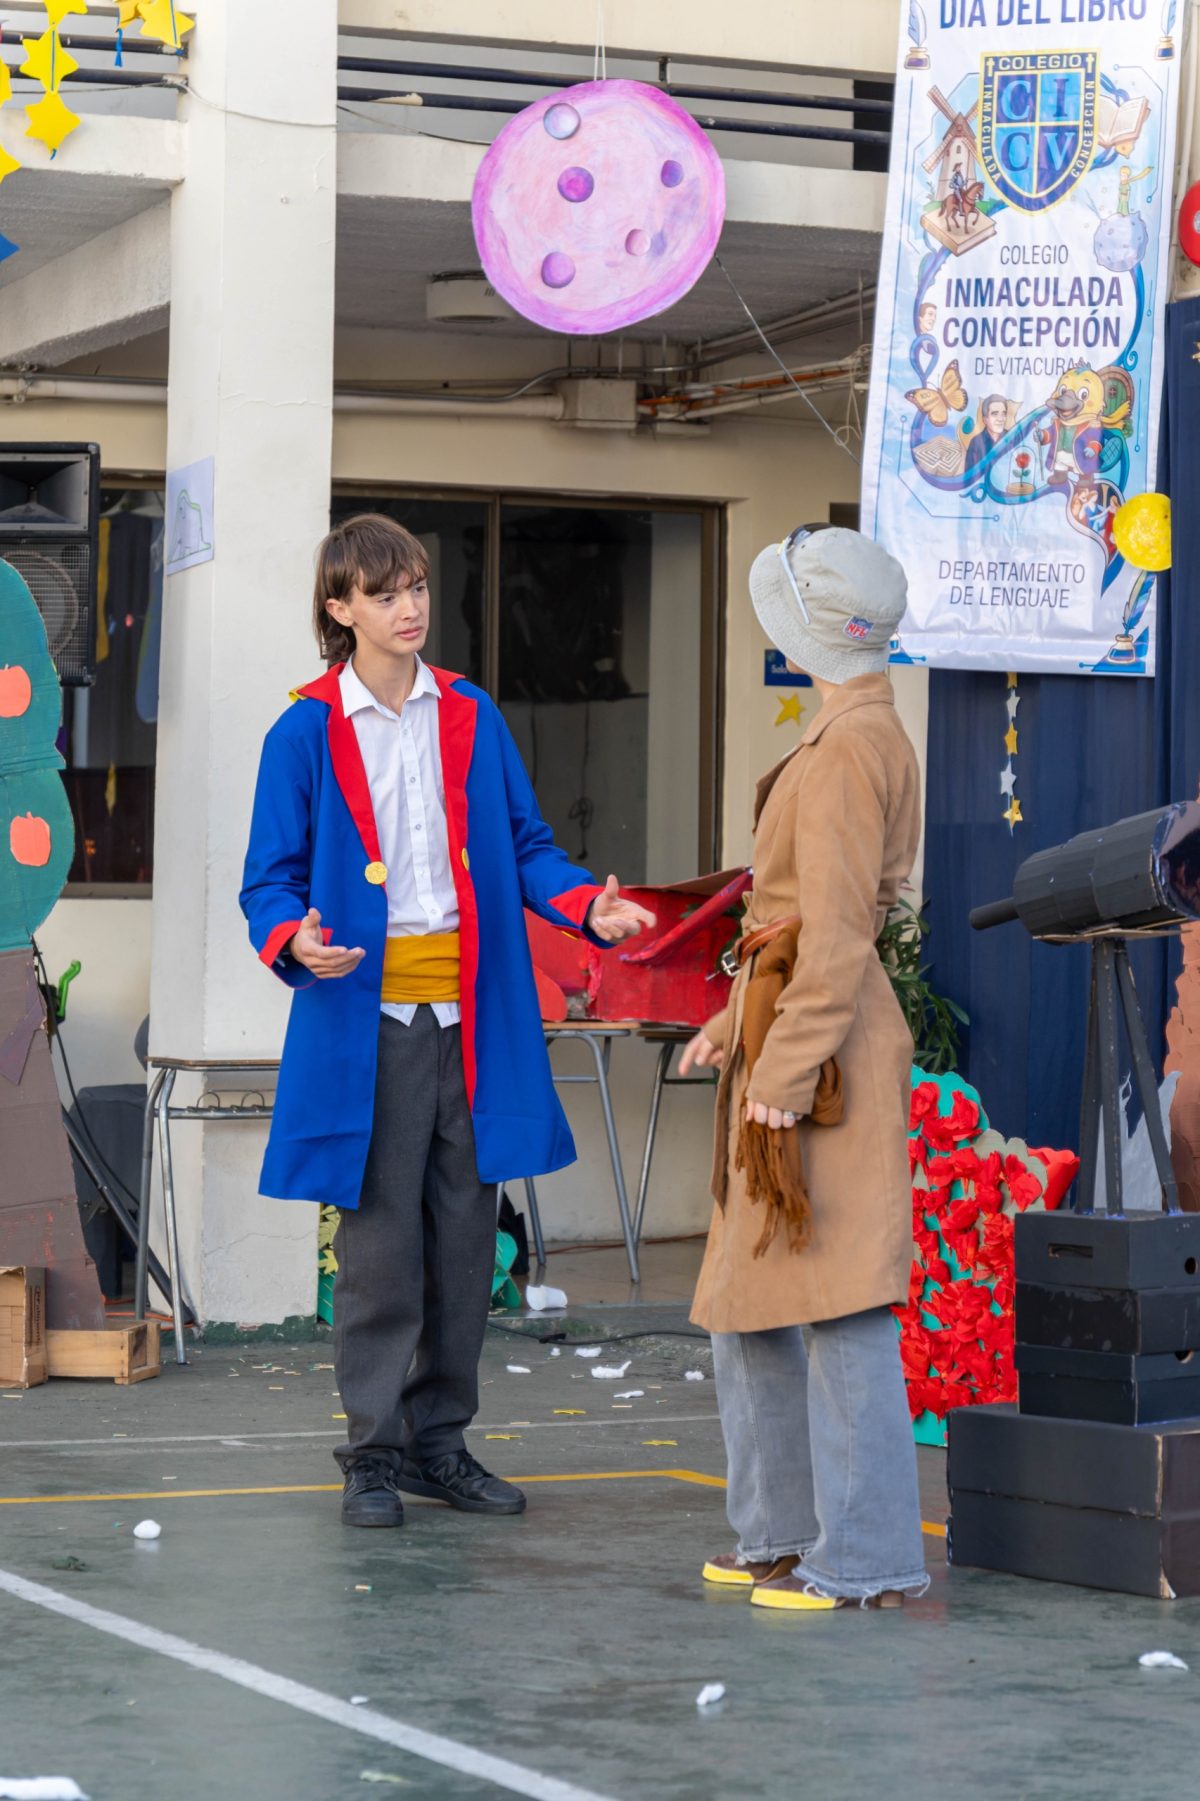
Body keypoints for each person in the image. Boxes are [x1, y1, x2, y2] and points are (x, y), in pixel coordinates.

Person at [240, 513, 654, 1529]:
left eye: (418, 586)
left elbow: (529, 846)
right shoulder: (303, 731)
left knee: (469, 1243)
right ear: (340, 609)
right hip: (367, 1021)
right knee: (380, 1248)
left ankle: (440, 1446)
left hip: (475, 1020)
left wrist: (585, 907)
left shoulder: (469, 713)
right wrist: (294, 937)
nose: (410, 606)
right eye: (384, 593)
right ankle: (372, 1455)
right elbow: (268, 880)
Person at [681, 524, 927, 1613]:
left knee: (840, 1302)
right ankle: (778, 1532)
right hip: (791, 1025)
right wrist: (737, 1024)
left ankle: (863, 1554)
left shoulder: (843, 754)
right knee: (751, 1296)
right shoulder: (866, 731)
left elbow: (833, 937)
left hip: (820, 1051)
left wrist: (780, 1072)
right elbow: (813, 928)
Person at [965, 394, 1011, 472]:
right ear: (985, 419)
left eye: (1003, 414)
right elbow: (969, 475)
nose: (1000, 419)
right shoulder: (976, 443)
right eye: (995, 414)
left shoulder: (1012, 437)